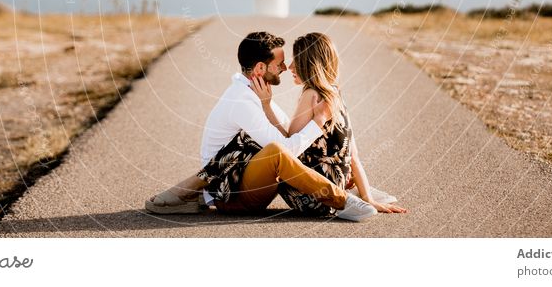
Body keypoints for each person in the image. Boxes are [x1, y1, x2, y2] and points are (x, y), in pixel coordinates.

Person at [145, 31, 405, 220]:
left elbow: (288, 131)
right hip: (230, 192)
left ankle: (347, 194)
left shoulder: (256, 94)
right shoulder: (243, 101)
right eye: (279, 63)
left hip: (242, 180)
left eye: (288, 61)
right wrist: (317, 122)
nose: (285, 67)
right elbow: (287, 146)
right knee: (272, 150)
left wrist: (269, 106)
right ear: (260, 68)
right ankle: (341, 199)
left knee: (273, 146)